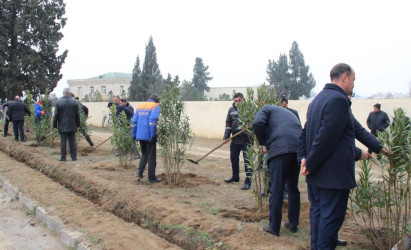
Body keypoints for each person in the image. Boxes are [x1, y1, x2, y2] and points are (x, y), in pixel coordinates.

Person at [298, 63, 389, 249]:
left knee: (318, 218)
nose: (354, 84)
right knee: (329, 223)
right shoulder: (338, 101)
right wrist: (310, 163)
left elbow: (357, 130)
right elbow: (325, 138)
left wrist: (380, 148)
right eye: (353, 79)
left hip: (317, 177)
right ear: (344, 77)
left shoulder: (318, 100)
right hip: (332, 177)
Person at [253, 104, 301, 237]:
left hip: (280, 151)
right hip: (297, 150)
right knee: (292, 187)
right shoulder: (290, 113)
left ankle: (274, 227)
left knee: (276, 188)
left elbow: (257, 123)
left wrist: (264, 144)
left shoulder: (266, 108)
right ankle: (293, 223)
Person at [223, 93, 253, 190]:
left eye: (239, 100)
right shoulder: (231, 110)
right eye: (235, 101)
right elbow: (228, 123)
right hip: (235, 139)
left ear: (243, 100)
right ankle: (235, 177)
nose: (237, 102)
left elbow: (255, 122)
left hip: (246, 140)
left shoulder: (249, 109)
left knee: (247, 161)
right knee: (233, 158)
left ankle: (248, 181)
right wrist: (226, 136)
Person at [132, 94, 162, 183]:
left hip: (140, 135)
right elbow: (153, 120)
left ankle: (139, 171)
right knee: (151, 157)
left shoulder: (141, 106)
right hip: (149, 135)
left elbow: (134, 121)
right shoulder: (155, 106)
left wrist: (134, 134)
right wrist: (153, 135)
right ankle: (151, 178)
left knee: (144, 154)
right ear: (157, 101)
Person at [53, 88, 80, 161]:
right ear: (69, 93)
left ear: (63, 93)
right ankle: (73, 157)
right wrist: (78, 125)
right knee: (72, 142)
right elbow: (77, 115)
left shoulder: (58, 102)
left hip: (62, 125)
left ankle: (63, 157)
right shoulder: (74, 102)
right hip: (72, 125)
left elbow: (56, 115)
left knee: (63, 142)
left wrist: (54, 125)